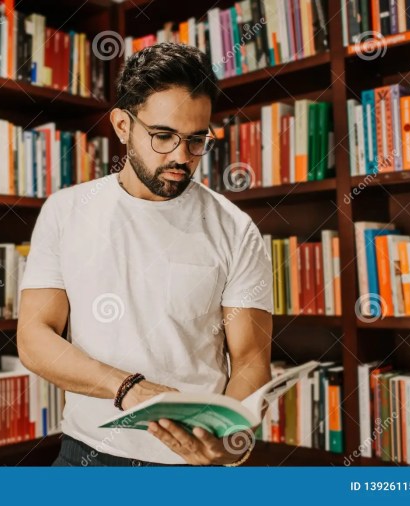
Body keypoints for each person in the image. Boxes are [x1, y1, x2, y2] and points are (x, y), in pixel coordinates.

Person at [17, 42, 272, 466]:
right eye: (163, 136)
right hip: (85, 458)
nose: (180, 157)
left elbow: (250, 359)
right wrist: (128, 388)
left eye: (196, 140)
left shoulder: (235, 228)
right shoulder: (66, 212)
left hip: (192, 465)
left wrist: (230, 438)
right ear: (122, 124)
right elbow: (34, 337)